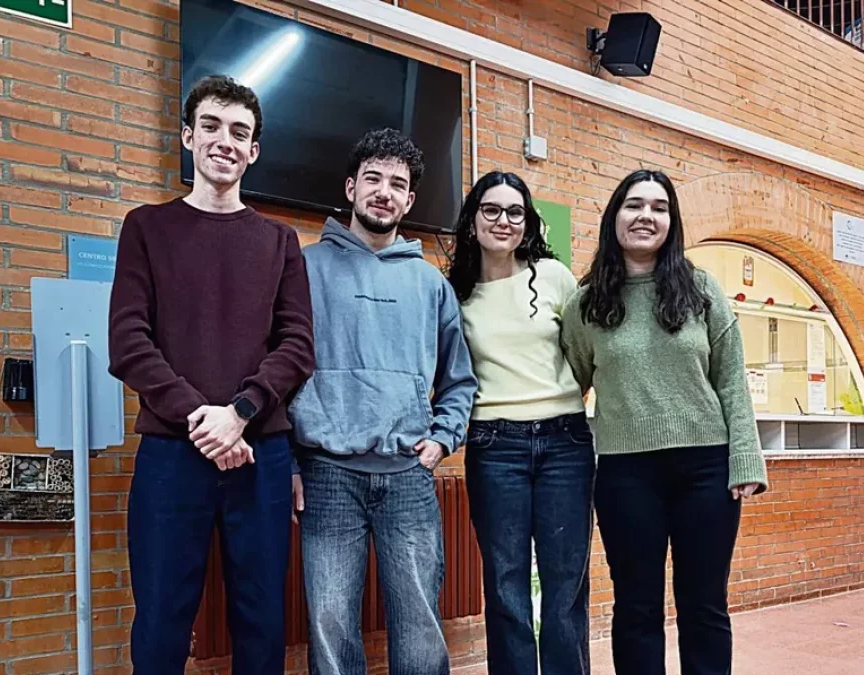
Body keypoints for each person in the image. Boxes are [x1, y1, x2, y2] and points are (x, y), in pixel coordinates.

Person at [108, 74, 315, 675]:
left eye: (240, 132)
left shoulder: (281, 242)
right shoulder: (146, 227)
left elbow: (298, 344)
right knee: (161, 617)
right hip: (174, 454)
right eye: (212, 126)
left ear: (254, 152)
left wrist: (241, 414)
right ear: (187, 137)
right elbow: (128, 341)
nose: (225, 141)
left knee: (262, 615)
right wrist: (204, 420)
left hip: (262, 456)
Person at [559, 169, 768, 675]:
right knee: (636, 607)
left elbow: (731, 380)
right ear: (615, 218)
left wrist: (746, 458)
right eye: (634, 205)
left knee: (704, 605)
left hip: (705, 470)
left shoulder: (702, 291)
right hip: (625, 474)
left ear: (671, 222)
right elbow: (573, 383)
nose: (645, 216)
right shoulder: (587, 303)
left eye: (658, 207)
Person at [288, 128, 478, 675]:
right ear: (351, 187)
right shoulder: (303, 268)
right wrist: (290, 464)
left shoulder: (430, 284)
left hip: (407, 477)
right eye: (373, 178)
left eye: (397, 184)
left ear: (409, 200)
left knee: (420, 623)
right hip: (326, 474)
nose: (384, 192)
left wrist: (442, 440)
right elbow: (277, 368)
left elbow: (459, 380)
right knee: (329, 622)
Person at [445, 171, 593, 675]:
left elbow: (584, 355)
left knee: (565, 581)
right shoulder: (456, 294)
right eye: (491, 210)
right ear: (471, 221)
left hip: (565, 441)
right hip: (493, 443)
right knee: (505, 584)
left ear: (528, 222)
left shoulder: (554, 277)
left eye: (515, 212)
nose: (503, 221)